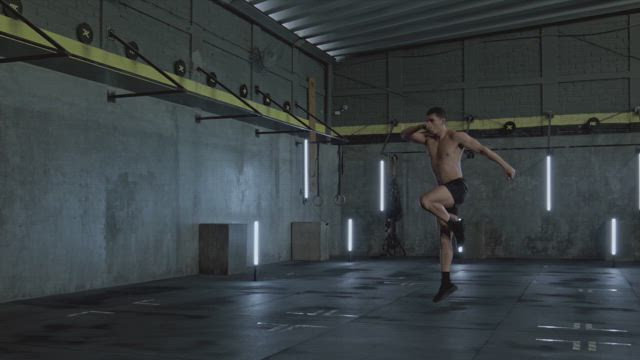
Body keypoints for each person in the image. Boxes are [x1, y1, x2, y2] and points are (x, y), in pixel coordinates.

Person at [401, 107, 516, 302]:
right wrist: (422, 126)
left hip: (456, 188)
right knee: (445, 239)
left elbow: (482, 149)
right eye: (426, 121)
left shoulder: (455, 136)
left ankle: (455, 221)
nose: (428, 124)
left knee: (426, 200)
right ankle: (446, 282)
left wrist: (506, 166)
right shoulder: (428, 139)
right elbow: (404, 135)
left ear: (443, 121)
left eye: (431, 121)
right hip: (443, 191)